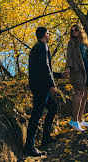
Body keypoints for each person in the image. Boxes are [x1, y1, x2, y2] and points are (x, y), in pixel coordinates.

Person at [23, 26, 66, 157]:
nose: (50, 35)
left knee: (52, 107)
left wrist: (59, 75)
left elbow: (44, 68)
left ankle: (45, 137)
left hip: (38, 85)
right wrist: (52, 83)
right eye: (49, 33)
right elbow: (45, 67)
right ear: (44, 35)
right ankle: (29, 147)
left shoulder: (36, 48)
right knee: (37, 114)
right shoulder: (42, 46)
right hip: (42, 86)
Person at [64, 24, 88, 131]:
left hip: (87, 71)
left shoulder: (85, 43)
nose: (74, 32)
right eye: (72, 31)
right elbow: (69, 56)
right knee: (78, 93)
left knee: (85, 94)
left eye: (76, 30)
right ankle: (74, 120)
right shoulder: (71, 43)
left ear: (80, 31)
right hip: (77, 70)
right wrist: (68, 68)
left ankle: (79, 119)